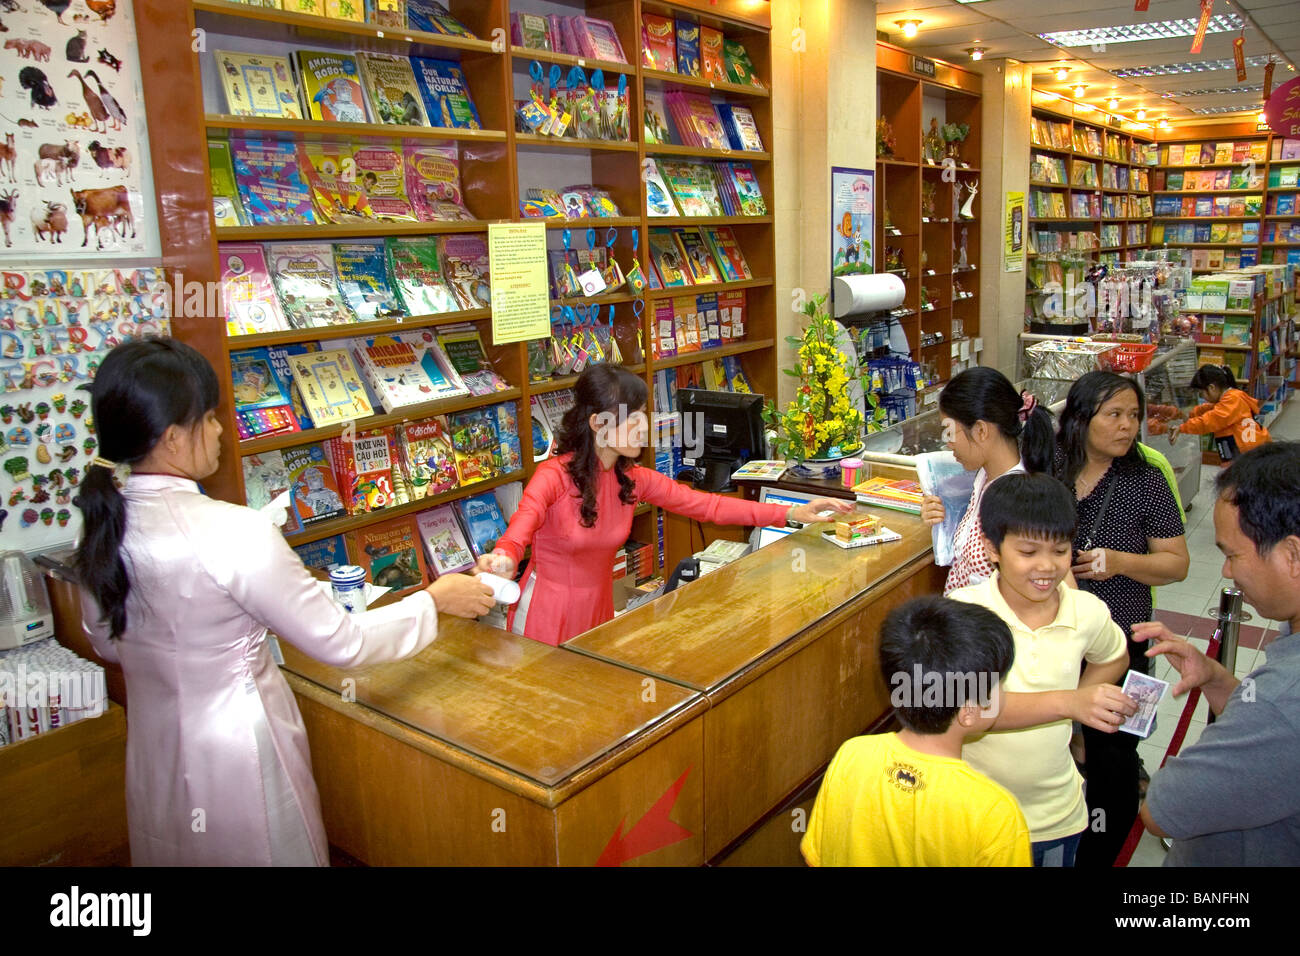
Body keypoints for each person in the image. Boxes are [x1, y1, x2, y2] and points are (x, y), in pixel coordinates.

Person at [73, 338, 495, 866]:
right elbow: (341, 642)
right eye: (209, 417)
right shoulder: (236, 531)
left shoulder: (100, 532)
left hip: (156, 744)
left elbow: (109, 644)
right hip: (240, 749)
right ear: (174, 439)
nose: (222, 430)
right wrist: (433, 601)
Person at [476, 364, 851, 645]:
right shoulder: (553, 476)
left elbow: (708, 507)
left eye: (644, 416)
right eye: (633, 418)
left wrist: (788, 512)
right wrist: (505, 557)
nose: (644, 427)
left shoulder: (633, 479)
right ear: (597, 423)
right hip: (545, 614)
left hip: (599, 612)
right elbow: (520, 529)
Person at [949, 473, 1135, 867]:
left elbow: (1114, 656)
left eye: (1060, 551)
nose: (1047, 567)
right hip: (971, 814)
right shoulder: (963, 612)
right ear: (991, 548)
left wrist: (1087, 698)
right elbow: (969, 710)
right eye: (1028, 552)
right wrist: (1072, 702)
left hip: (1054, 817)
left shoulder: (1086, 612)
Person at [1137, 442, 1300, 864]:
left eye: (1232, 554)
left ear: (1293, 555)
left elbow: (1162, 811)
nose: (1226, 571)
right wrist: (1218, 680)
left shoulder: (1282, 698)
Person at [1052, 370, 1189, 867]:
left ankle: (1107, 852)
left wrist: (1121, 561)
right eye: (1114, 415)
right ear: (1082, 418)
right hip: (1061, 638)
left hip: (1124, 639)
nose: (1128, 426)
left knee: (1115, 757)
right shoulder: (1053, 471)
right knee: (1059, 742)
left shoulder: (1145, 478)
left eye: (1134, 415)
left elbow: (1177, 563)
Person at [801, 595, 1031, 866]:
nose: (1004, 691)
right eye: (1000, 683)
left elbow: (816, 856)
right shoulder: (995, 813)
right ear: (969, 710)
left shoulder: (851, 755)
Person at [919, 367, 1055, 594]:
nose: (948, 443)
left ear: (981, 430)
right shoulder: (984, 475)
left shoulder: (1018, 499)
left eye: (950, 432)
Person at [1163, 364, 1271, 461]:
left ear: (1212, 388)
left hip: (1251, 456)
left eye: (1201, 394)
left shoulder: (1232, 400)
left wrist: (1182, 428)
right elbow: (1209, 409)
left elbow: (1209, 421)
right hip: (1248, 452)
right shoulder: (1231, 397)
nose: (1203, 398)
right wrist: (1188, 414)